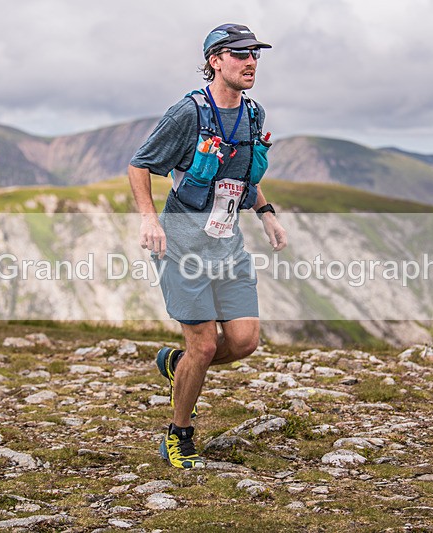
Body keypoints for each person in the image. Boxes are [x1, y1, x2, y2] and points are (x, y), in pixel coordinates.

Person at [128, 23, 287, 469]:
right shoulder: (188, 114)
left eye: (255, 54)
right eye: (240, 54)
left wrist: (267, 213)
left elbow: (241, 178)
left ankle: (177, 366)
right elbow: (140, 165)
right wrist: (148, 218)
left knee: (244, 341)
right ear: (215, 61)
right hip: (182, 248)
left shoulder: (253, 115)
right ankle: (178, 435)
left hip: (228, 247)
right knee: (202, 346)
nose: (251, 61)